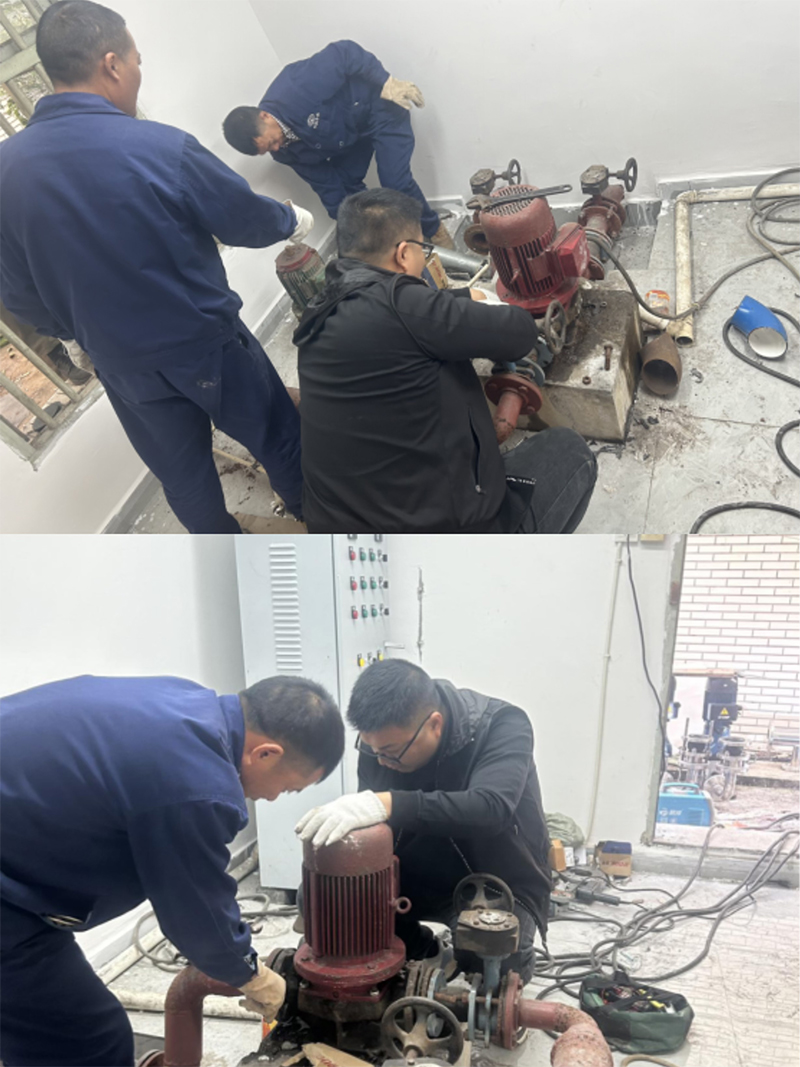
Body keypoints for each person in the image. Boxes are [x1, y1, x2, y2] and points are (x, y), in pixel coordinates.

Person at [0, 1, 314, 533]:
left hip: (121, 364)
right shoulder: (158, 147)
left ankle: (223, 558)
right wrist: (290, 218)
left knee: (184, 479)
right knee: (276, 435)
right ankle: (318, 519)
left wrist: (72, 336)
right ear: (112, 64)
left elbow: (17, 292)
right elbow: (242, 220)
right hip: (205, 344)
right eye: (136, 61)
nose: (137, 73)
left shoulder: (6, 174)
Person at [0, 673, 345, 1067]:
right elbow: (197, 913)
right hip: (10, 900)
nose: (271, 797)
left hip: (17, 878)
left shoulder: (186, 701)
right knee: (88, 1041)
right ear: (266, 754)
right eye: (286, 788)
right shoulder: (198, 784)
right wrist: (252, 975)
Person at [293, 188, 598, 533]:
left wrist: (462, 297)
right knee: (571, 452)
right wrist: (491, 307)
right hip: (442, 539)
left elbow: (408, 318)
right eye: (422, 249)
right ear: (404, 254)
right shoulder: (403, 308)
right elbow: (520, 333)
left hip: (340, 532)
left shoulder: (320, 315)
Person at [296, 659, 551, 982]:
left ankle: (487, 960)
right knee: (326, 902)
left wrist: (388, 802)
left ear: (435, 725)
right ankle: (424, 949)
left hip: (490, 877)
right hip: (411, 871)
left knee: (493, 963)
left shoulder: (502, 726)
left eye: (391, 751)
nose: (382, 760)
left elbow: (490, 809)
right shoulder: (381, 746)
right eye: (372, 749)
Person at [222, 40, 453, 248]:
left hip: (378, 110)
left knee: (395, 181)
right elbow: (327, 185)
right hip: (351, 138)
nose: (275, 149)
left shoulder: (295, 88)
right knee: (350, 193)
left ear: (265, 116)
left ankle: (434, 230)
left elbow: (344, 52)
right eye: (267, 151)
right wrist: (347, 220)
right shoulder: (283, 151)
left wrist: (386, 81)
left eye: (271, 141)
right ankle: (391, 238)